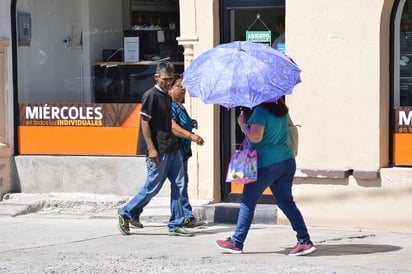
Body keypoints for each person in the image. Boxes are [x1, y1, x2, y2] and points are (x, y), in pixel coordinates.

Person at [215, 98, 316, 256]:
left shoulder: (261, 111)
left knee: (248, 202)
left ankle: (236, 242)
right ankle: (304, 240)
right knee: (286, 203)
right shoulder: (282, 110)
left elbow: (256, 137)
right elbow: (288, 128)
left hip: (267, 164)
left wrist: (242, 124)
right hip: (286, 160)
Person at [116, 61, 192, 237]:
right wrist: (151, 148)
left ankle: (176, 224)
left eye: (170, 79)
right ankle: (125, 212)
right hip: (158, 149)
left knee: (180, 184)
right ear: (156, 77)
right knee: (153, 187)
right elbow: (145, 123)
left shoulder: (166, 96)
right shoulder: (151, 96)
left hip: (172, 147)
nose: (167, 82)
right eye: (165, 79)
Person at [169, 73, 205, 227]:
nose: (183, 89)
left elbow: (181, 123)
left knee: (182, 183)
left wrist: (191, 122)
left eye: (184, 86)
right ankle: (184, 217)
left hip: (183, 152)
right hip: (174, 151)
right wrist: (191, 136)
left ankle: (186, 215)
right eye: (179, 86)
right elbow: (173, 126)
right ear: (170, 89)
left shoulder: (180, 105)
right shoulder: (171, 105)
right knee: (177, 184)